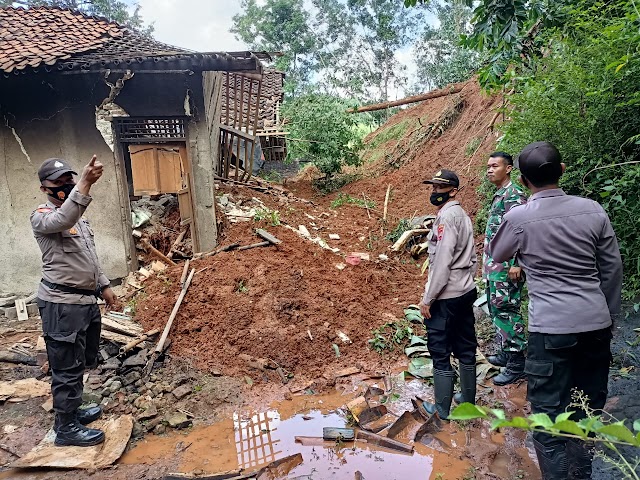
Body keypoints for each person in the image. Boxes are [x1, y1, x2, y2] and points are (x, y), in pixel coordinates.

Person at [489, 141, 622, 479]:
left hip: (549, 332)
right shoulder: (593, 210)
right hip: (595, 324)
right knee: (585, 411)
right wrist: (608, 317)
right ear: (562, 171)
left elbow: (498, 252)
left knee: (548, 420)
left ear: (522, 179)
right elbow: (611, 270)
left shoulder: (518, 217)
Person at [31, 156, 117, 447]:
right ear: (45, 188)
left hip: (84, 303)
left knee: (80, 361)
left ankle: (73, 411)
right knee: (66, 366)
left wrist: (104, 286)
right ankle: (65, 428)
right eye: (60, 182)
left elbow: (89, 257)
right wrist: (85, 182)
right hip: (61, 304)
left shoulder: (80, 220)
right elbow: (63, 218)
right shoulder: (43, 216)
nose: (66, 185)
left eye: (69, 179)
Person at [418, 169, 478, 419]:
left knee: (440, 349)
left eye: (439, 188)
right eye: (432, 187)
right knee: (466, 346)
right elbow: (472, 258)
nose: (434, 192)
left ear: (453, 191)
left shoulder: (446, 219)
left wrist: (427, 299)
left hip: (446, 295)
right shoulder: (462, 215)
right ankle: (467, 402)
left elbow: (442, 263)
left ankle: (442, 409)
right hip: (466, 290)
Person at [483, 151, 528, 385]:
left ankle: (517, 363)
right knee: (497, 309)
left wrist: (517, 263)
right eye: (488, 166)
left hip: (507, 267)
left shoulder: (514, 195)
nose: (489, 170)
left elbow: (523, 231)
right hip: (495, 267)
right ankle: (506, 351)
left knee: (508, 310)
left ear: (509, 168)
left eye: (495, 166)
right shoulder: (501, 194)